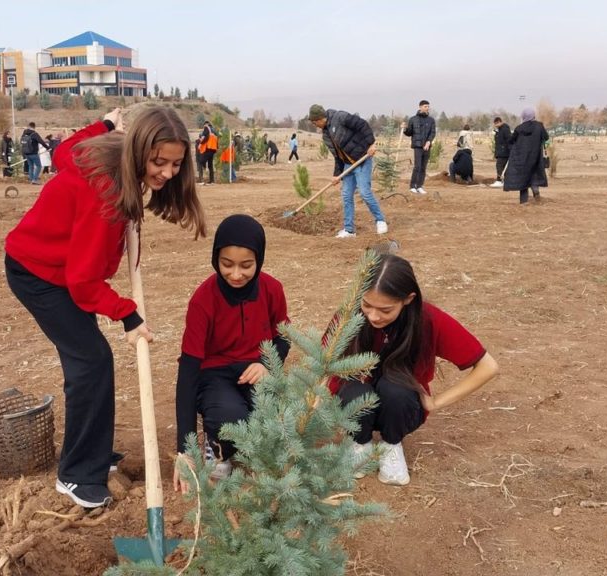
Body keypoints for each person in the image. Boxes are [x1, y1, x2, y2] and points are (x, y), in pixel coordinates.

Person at [4, 107, 207, 509]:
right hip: (38, 273)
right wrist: (127, 313)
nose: (167, 173)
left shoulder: (113, 149)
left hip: (59, 270)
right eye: (159, 162)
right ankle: (76, 474)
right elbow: (83, 284)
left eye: (176, 164)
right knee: (91, 361)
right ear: (139, 150)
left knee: (93, 361)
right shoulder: (106, 196)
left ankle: (94, 451)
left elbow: (64, 152)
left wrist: (103, 125)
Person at [330, 252, 498, 486]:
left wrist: (436, 401)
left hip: (400, 405)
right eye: (367, 305)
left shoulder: (428, 320)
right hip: (355, 403)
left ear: (408, 299)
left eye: (386, 310)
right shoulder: (349, 315)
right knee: (354, 391)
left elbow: (488, 366)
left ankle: (391, 445)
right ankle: (359, 443)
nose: (373, 316)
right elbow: (325, 363)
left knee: (395, 389)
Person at [172, 215, 289, 493]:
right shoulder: (203, 300)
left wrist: (266, 364)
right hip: (214, 374)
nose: (236, 274)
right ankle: (216, 447)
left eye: (246, 266)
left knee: (276, 419)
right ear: (215, 259)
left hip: (254, 370)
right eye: (227, 264)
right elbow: (188, 372)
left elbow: (283, 337)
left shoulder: (272, 290)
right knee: (230, 419)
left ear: (259, 260)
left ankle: (250, 445)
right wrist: (184, 449)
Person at [308, 104, 388, 237]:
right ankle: (349, 230)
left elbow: (362, 125)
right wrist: (336, 175)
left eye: (315, 122)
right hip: (347, 165)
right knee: (346, 195)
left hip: (362, 159)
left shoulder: (340, 117)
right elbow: (337, 156)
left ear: (320, 118)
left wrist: (371, 143)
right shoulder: (326, 135)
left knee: (364, 192)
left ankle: (380, 221)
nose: (314, 124)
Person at [503, 108, 549, 204]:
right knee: (533, 175)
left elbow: (511, 140)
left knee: (523, 177)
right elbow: (546, 137)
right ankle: (536, 193)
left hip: (521, 157)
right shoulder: (539, 126)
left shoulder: (519, 128)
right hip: (535, 156)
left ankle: (523, 201)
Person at [403, 100, 436, 195]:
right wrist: (405, 128)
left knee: (423, 167)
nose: (427, 108)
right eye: (425, 106)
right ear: (420, 107)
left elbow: (433, 132)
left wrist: (428, 142)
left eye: (428, 106)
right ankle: (413, 186)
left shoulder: (431, 120)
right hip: (417, 146)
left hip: (427, 146)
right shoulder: (413, 119)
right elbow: (409, 133)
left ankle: (420, 186)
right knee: (417, 166)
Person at [490, 117, 511, 188]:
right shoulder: (499, 130)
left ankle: (499, 181)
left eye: (496, 123)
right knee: (501, 167)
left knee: (499, 166)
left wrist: (510, 151)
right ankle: (504, 181)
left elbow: (509, 141)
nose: (495, 125)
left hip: (504, 152)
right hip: (500, 152)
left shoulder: (505, 129)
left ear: (500, 122)